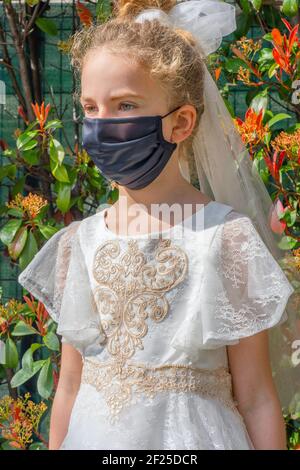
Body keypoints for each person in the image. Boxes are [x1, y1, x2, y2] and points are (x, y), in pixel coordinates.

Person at [17, 0, 295, 450]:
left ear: (181, 122)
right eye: (91, 108)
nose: (101, 126)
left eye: (125, 105)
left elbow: (257, 397)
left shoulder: (226, 239)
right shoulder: (80, 242)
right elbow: (69, 384)